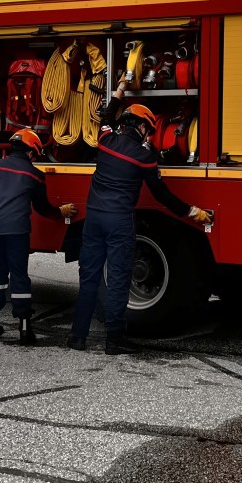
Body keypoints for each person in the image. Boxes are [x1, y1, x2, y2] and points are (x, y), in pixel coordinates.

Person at [69, 81, 209, 354]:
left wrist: (120, 91)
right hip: (119, 221)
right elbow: (162, 195)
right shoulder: (144, 157)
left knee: (89, 278)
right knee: (119, 279)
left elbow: (105, 116)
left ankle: (77, 337)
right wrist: (193, 212)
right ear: (143, 127)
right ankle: (114, 341)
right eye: (148, 129)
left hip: (94, 218)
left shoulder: (105, 140)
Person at [0, 129, 77, 344]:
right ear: (31, 152)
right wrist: (60, 211)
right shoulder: (34, 174)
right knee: (19, 275)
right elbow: (42, 207)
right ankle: (25, 328)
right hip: (16, 230)